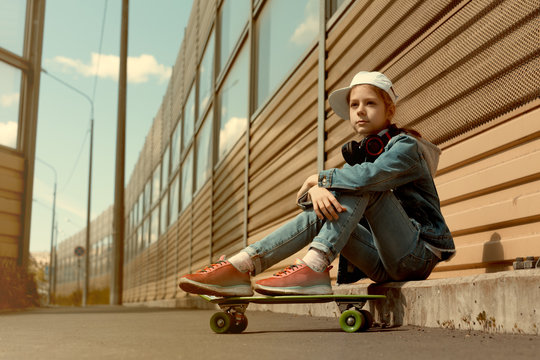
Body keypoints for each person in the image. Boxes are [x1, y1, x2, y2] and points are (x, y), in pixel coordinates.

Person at [179, 71, 455, 297]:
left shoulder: (405, 147)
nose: (360, 111)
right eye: (354, 105)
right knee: (330, 204)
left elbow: (368, 178)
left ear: (389, 109)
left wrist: (319, 177)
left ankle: (314, 264)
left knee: (362, 185)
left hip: (415, 256)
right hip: (381, 262)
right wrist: (316, 189)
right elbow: (309, 204)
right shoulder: (359, 163)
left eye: (370, 103)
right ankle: (243, 265)